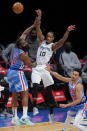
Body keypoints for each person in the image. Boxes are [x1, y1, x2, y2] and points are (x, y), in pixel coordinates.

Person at [31, 9, 75, 123]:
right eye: (48, 36)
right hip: (37, 68)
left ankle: (51, 114)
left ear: (53, 38)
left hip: (46, 69)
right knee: (35, 86)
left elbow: (62, 40)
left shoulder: (53, 46)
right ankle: (34, 107)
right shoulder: (41, 41)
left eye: (50, 37)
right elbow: (38, 28)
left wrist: (67, 31)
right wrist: (39, 16)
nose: (48, 38)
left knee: (49, 92)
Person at [6, 15, 39, 125]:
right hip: (17, 73)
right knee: (25, 93)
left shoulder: (16, 48)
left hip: (10, 73)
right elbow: (31, 65)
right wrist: (39, 62)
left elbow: (24, 33)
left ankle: (14, 118)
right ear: (21, 45)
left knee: (15, 94)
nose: (26, 43)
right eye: (24, 43)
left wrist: (33, 25)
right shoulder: (23, 54)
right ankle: (24, 117)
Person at [46, 64, 87, 131]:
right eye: (73, 74)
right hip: (75, 105)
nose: (73, 76)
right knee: (69, 116)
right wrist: (50, 71)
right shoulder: (70, 80)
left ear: (79, 77)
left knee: (75, 124)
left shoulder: (79, 86)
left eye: (75, 75)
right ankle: (65, 129)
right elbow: (60, 77)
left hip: (82, 106)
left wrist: (66, 105)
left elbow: (78, 100)